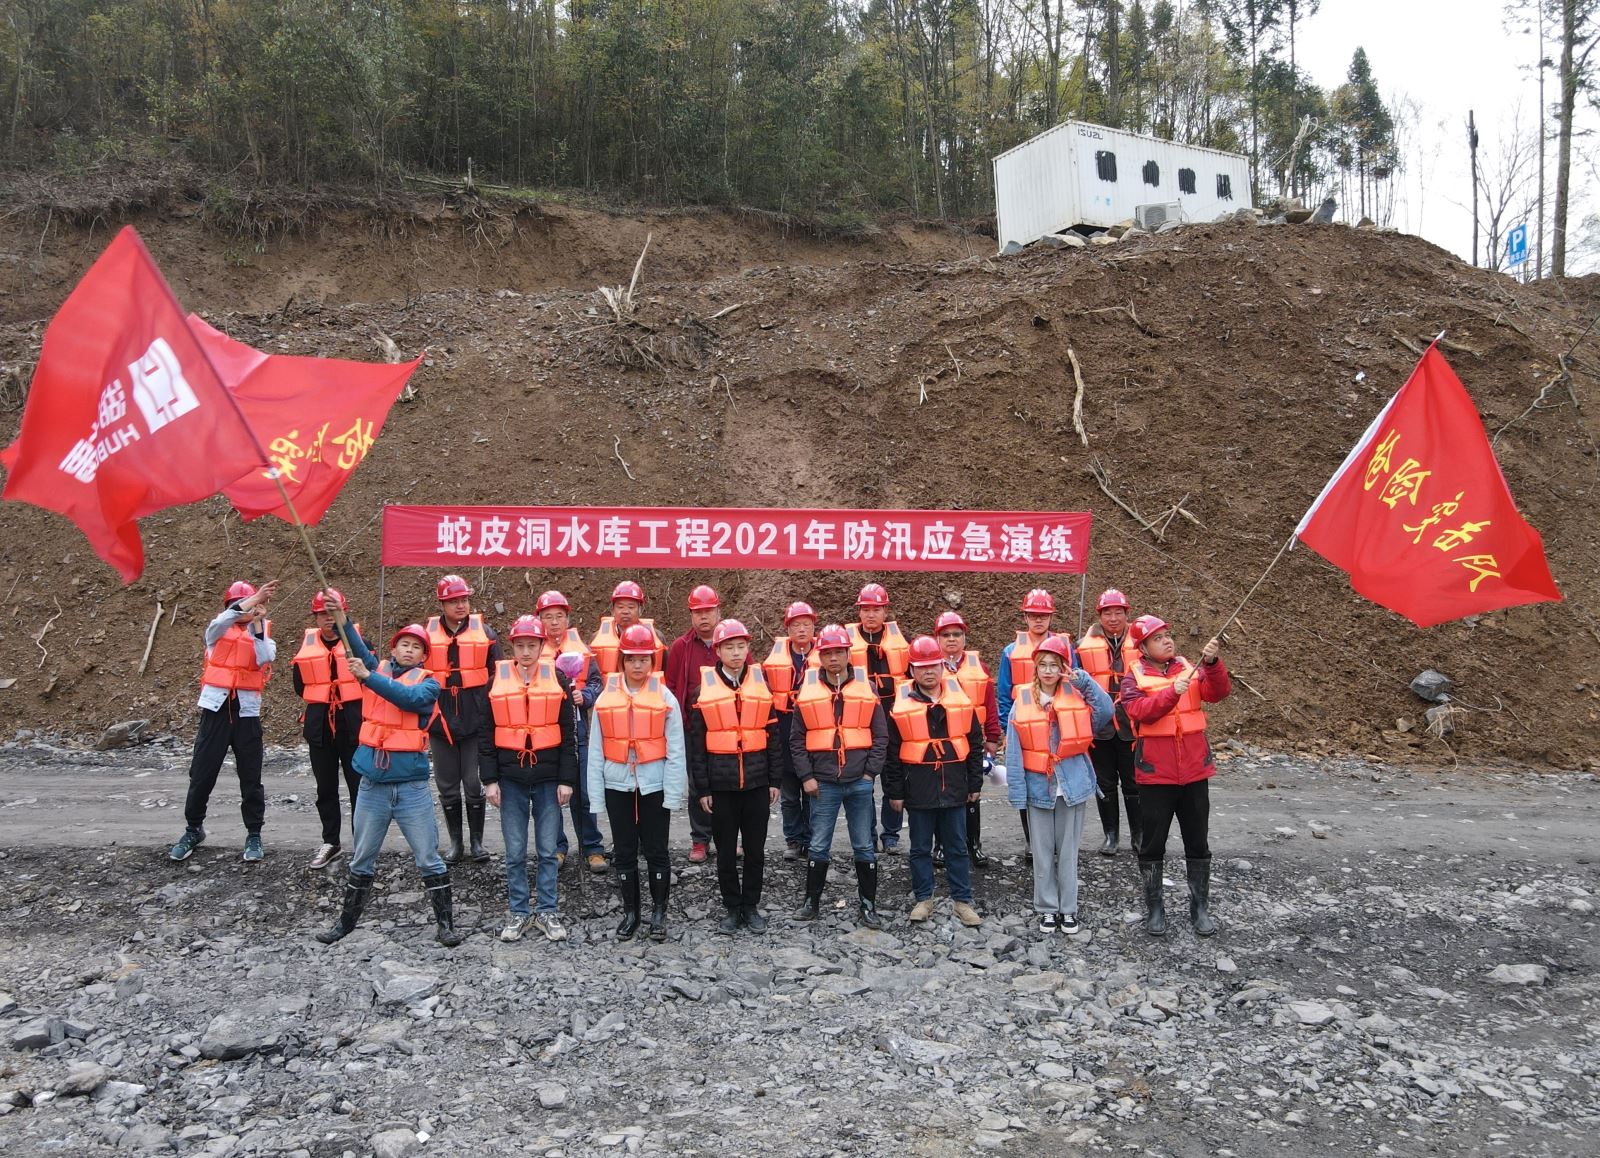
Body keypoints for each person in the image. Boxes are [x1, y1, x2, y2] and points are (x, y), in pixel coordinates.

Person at [316, 620, 464, 947]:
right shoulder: (376, 668)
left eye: (416, 647)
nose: (409, 651)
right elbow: (355, 646)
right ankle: (345, 924)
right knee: (362, 858)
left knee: (428, 858)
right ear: (393, 649)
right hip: (373, 786)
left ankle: (446, 926)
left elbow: (407, 699)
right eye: (404, 645)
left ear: (424, 656)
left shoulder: (428, 684)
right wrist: (342, 618)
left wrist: (368, 677)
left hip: (411, 789)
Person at [1119, 615, 1232, 938]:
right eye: (1158, 638)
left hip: (1195, 769)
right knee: (1152, 843)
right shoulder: (1133, 677)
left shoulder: (1190, 667)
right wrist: (1171, 693)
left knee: (1198, 841)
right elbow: (1140, 711)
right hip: (1156, 774)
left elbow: (1218, 692)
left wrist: (1212, 663)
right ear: (1143, 648)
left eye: (1168, 635)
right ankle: (1155, 908)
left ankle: (1200, 908)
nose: (1167, 641)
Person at [1003, 637, 1113, 934]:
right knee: (1041, 853)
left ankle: (1068, 909)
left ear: (1064, 667)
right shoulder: (1022, 701)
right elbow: (1013, 750)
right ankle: (1047, 908)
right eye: (1044, 665)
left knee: (1068, 853)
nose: (1049, 671)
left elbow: (1106, 712)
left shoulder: (1077, 695)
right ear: (1035, 668)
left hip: (1072, 788)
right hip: (1038, 789)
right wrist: (1017, 792)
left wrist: (1084, 681)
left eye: (1055, 665)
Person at [480, 616, 579, 943]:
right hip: (511, 780)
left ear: (541, 647)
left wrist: (567, 780)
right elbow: (486, 735)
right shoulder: (495, 682)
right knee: (515, 852)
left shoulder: (558, 680)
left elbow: (568, 735)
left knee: (548, 850)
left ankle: (548, 911)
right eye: (520, 645)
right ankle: (519, 912)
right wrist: (489, 780)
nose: (525, 652)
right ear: (512, 647)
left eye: (531, 645)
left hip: (549, 780)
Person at [587, 623, 688, 941]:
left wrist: (673, 794)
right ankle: (631, 913)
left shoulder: (666, 698)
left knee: (657, 850)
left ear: (652, 661)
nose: (637, 665)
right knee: (625, 851)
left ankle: (659, 913)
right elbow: (595, 751)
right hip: (617, 785)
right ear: (622, 661)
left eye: (644, 659)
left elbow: (676, 750)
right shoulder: (605, 698)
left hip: (653, 785)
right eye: (631, 659)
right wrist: (596, 797)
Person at [169, 579, 279, 864]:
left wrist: (257, 622)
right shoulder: (216, 631)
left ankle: (254, 834)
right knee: (202, 773)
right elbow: (223, 619)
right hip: (215, 712)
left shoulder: (262, 633)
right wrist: (253, 599)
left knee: (251, 778)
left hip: (246, 714)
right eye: (237, 604)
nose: (243, 609)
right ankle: (193, 829)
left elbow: (265, 657)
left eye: (249, 603)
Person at [685, 619, 782, 935]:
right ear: (718, 651)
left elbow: (773, 737)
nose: (736, 653)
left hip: (756, 783)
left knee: (755, 851)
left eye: (741, 646)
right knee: (725, 852)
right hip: (721, 786)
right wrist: (702, 789)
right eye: (729, 647)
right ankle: (731, 906)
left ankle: (750, 906)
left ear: (748, 648)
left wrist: (774, 780)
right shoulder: (703, 691)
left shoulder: (761, 685)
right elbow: (697, 745)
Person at [789, 625, 888, 927]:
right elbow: (796, 740)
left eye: (839, 652)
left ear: (848, 654)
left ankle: (868, 906)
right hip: (823, 783)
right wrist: (806, 776)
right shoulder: (808, 692)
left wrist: (870, 773)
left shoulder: (866, 688)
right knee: (818, 844)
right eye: (828, 653)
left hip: (859, 781)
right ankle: (811, 902)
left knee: (864, 845)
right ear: (820, 657)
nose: (834, 658)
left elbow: (881, 736)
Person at [884, 635, 985, 927]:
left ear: (942, 667)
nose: (928, 672)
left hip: (954, 786)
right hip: (918, 788)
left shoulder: (959, 700)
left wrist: (974, 784)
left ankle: (962, 901)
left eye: (933, 666)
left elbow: (974, 744)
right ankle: (923, 898)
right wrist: (895, 791)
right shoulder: (900, 706)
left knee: (957, 846)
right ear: (912, 670)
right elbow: (892, 753)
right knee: (919, 848)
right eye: (921, 667)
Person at [424, 574, 501, 865]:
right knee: (446, 783)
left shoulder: (486, 634)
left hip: (474, 719)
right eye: (454, 601)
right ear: (442, 604)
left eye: (464, 599)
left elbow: (498, 675)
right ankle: (455, 843)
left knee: (473, 782)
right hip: (440, 720)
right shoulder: (426, 635)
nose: (460, 605)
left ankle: (477, 843)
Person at [290, 587, 368, 870]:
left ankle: (362, 843)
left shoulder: (360, 645)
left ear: (342, 613)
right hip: (320, 725)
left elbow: (372, 678)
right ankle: (330, 841)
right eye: (321, 614)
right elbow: (300, 686)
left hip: (353, 726)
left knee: (358, 787)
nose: (327, 618)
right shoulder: (307, 648)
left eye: (332, 612)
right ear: (315, 618)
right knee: (325, 787)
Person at [535, 589, 609, 874]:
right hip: (547, 733)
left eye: (559, 616)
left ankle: (592, 847)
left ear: (567, 619)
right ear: (540, 620)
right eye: (548, 617)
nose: (554, 622)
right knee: (550, 794)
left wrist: (585, 696)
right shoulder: (531, 650)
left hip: (578, 732)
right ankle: (556, 847)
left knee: (584, 793)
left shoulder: (583, 650)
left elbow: (597, 683)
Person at [995, 588, 1070, 858]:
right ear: (1025, 617)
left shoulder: (1065, 649)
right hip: (1025, 728)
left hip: (1058, 728)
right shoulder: (1010, 652)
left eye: (1044, 615)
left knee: (1060, 783)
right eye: (1033, 615)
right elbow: (1004, 694)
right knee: (1028, 782)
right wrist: (1008, 730)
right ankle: (1032, 842)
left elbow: (1074, 686)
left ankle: (1058, 842)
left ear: (1051, 617)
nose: (1039, 620)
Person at [932, 611, 1000, 867]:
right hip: (942, 742)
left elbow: (989, 704)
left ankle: (974, 845)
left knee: (973, 792)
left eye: (956, 634)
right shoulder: (929, 667)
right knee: (940, 792)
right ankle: (940, 846)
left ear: (964, 638)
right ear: (937, 639)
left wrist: (992, 736)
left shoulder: (979, 668)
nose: (951, 639)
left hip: (972, 741)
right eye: (945, 635)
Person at [1078, 589, 1142, 856]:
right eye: (1107, 613)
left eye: (1118, 612)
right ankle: (1111, 836)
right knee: (1104, 783)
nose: (1113, 618)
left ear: (1127, 614)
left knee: (1134, 782)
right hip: (1099, 726)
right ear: (1099, 616)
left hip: (1132, 725)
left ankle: (1139, 835)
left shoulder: (1142, 642)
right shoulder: (1082, 646)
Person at [846, 582, 909, 854]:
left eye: (876, 609)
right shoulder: (847, 643)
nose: (871, 614)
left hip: (894, 714)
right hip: (861, 717)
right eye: (866, 609)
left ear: (885, 611)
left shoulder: (901, 641)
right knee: (865, 779)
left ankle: (891, 834)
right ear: (859, 612)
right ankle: (868, 835)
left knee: (893, 774)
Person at [664, 583, 721, 863]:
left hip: (726, 725)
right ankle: (700, 839)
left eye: (708, 611)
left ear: (718, 612)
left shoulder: (731, 642)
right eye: (698, 612)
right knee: (698, 782)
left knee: (726, 781)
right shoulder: (680, 647)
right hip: (692, 726)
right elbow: (672, 686)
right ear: (691, 615)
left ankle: (726, 837)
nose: (704, 617)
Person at [762, 601, 820, 861]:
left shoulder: (825, 656)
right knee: (789, 794)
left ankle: (812, 839)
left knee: (812, 790)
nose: (801, 629)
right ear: (787, 629)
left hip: (814, 726)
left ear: (814, 628)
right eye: (796, 625)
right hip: (784, 727)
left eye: (806, 624)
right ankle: (793, 840)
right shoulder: (774, 660)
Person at [589, 580, 667, 676]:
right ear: (613, 610)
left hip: (645, 685)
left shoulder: (657, 637)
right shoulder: (596, 638)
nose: (625, 611)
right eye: (620, 607)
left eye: (631, 607)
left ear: (640, 610)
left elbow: (666, 670)